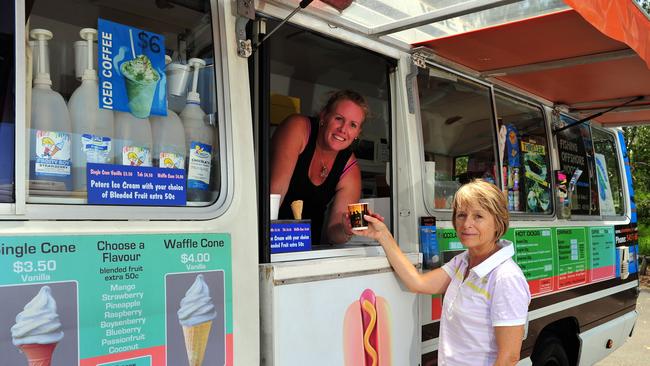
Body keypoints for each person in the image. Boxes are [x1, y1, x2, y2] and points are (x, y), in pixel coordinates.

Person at [355, 180, 531, 365]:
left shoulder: (505, 277)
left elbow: (509, 357)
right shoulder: (462, 262)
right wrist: (382, 234)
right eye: (461, 215)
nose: (466, 224)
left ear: (497, 222)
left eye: (478, 216)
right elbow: (418, 283)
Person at [270, 90, 368, 245]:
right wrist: (266, 244)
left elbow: (334, 235)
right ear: (324, 116)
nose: (343, 129)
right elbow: (274, 193)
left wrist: (347, 228)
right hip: (271, 240)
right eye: (338, 118)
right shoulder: (298, 128)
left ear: (357, 133)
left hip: (309, 250)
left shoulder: (350, 167)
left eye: (353, 125)